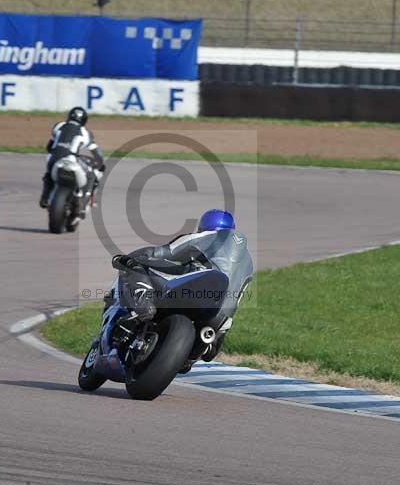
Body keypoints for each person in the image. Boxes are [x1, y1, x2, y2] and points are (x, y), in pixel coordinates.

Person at [112, 209, 254, 359]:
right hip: (220, 317)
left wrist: (127, 258)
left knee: (138, 264)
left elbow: (161, 252)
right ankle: (198, 350)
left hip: (191, 291)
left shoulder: (206, 236)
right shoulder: (249, 264)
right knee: (205, 353)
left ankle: (144, 305)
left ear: (204, 226)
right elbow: (238, 296)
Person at [38, 106, 105, 210]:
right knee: (91, 174)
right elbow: (98, 155)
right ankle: (84, 202)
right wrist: (99, 164)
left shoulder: (58, 126)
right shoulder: (85, 133)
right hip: (71, 159)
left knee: (48, 175)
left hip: (54, 158)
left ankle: (45, 197)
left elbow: (49, 147)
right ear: (84, 120)